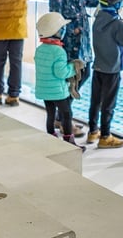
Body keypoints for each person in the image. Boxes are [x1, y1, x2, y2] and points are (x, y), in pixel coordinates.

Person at [50, 0, 99, 135]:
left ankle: (61, 117)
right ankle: (62, 119)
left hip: (80, 31)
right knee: (76, 73)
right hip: (69, 33)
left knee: (81, 72)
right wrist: (58, 32)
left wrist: (101, 2)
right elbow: (56, 2)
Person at [87, 0, 123, 149]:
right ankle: (105, 136)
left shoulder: (97, 19)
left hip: (98, 67)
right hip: (112, 70)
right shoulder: (117, 24)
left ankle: (93, 131)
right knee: (109, 104)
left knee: (95, 102)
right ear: (116, 3)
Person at [34, 11, 86, 151]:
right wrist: (74, 67)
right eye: (61, 29)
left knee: (50, 114)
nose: (63, 31)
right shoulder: (58, 51)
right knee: (67, 114)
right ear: (55, 32)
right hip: (58, 92)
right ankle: (69, 141)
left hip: (44, 90)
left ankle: (51, 137)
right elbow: (61, 72)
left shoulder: (40, 49)